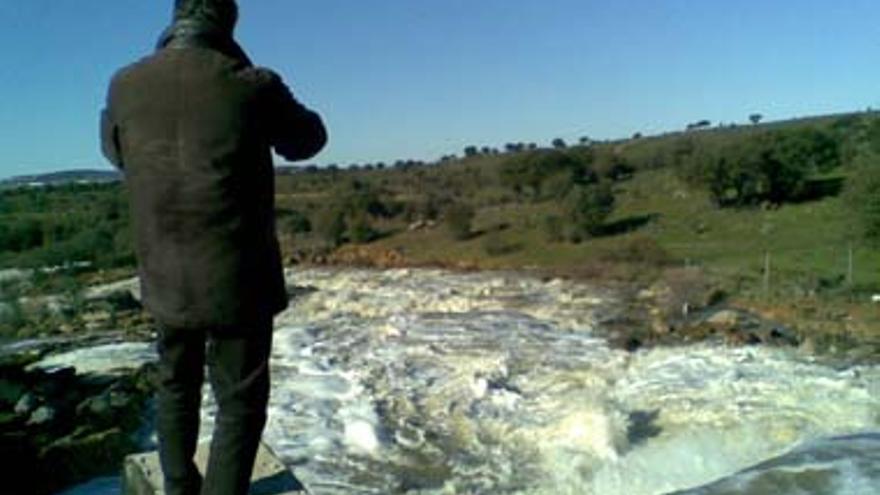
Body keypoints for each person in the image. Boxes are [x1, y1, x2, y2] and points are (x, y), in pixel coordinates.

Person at [100, 1, 327, 494]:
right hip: (237, 278)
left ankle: (178, 485)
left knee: (174, 380)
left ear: (175, 17)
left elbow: (115, 152)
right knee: (240, 400)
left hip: (163, 271)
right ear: (228, 22)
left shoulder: (124, 83)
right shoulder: (252, 83)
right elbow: (309, 140)